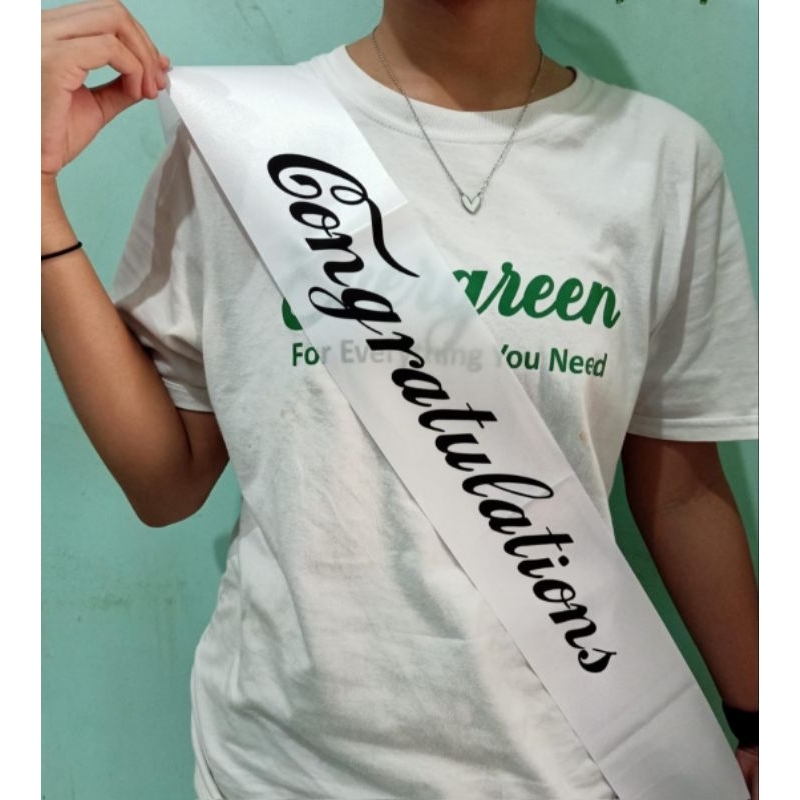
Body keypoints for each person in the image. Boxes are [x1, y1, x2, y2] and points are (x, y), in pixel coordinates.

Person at [42, 1, 758, 798]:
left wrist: (761, 719)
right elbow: (165, 484)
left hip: (565, 767)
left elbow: (683, 492)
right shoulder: (241, 135)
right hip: (280, 769)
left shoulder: (661, 161)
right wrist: (26, 192)